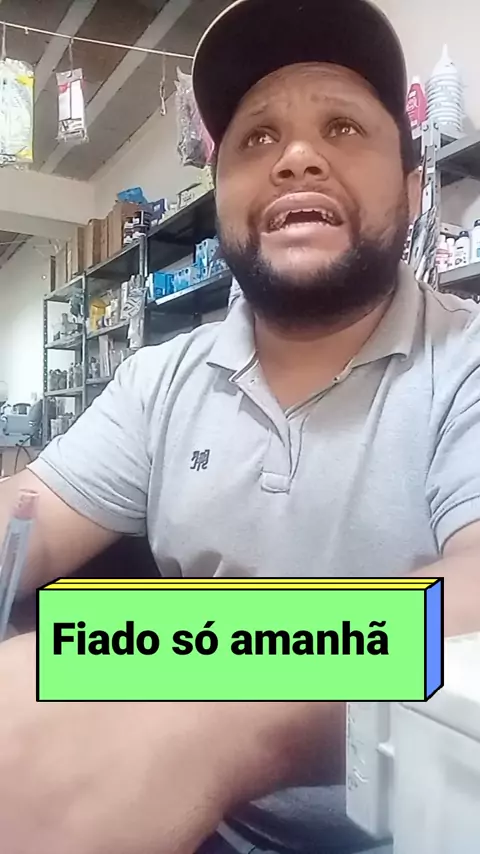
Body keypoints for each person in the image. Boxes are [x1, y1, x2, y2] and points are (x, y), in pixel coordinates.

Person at [1, 0, 480, 852]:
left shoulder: (466, 361)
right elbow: (26, 516)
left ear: (414, 189)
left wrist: (204, 699)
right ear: (221, 199)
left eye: (342, 128)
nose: (297, 157)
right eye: (257, 139)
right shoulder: (160, 379)